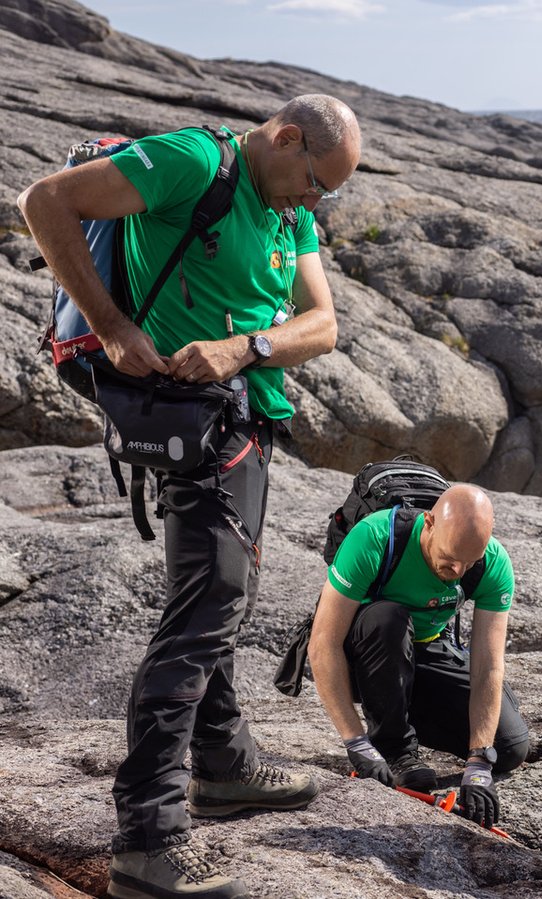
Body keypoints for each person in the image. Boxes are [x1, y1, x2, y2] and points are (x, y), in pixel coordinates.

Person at [19, 95, 361, 899]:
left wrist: (248, 345)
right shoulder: (193, 165)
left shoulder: (288, 210)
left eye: (328, 195)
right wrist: (109, 327)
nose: (316, 204)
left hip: (246, 418)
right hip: (192, 425)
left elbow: (324, 323)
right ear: (285, 139)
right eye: (315, 183)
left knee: (220, 599)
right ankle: (149, 835)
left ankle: (224, 761)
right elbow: (43, 201)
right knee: (204, 611)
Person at [308, 483, 530, 831]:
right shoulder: (376, 537)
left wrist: (479, 761)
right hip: (367, 651)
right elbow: (323, 644)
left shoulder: (492, 564)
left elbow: (488, 665)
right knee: (389, 618)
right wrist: (357, 742)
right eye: (450, 559)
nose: (458, 571)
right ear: (429, 523)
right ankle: (395, 747)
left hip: (424, 648)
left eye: (468, 562)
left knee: (509, 746)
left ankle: (398, 707)